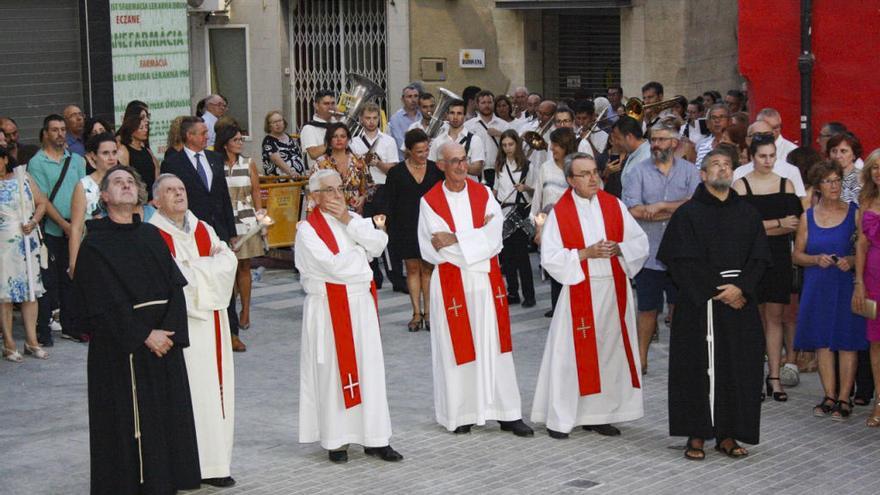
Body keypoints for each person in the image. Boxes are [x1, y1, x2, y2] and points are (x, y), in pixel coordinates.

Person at [72, 165, 200, 493]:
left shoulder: (149, 235)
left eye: (131, 181)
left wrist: (167, 332)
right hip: (121, 349)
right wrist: (144, 335)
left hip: (163, 345)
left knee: (165, 418)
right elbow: (102, 301)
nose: (127, 186)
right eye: (118, 182)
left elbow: (174, 286)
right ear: (104, 197)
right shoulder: (94, 244)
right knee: (125, 423)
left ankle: (164, 482)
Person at [657, 149, 771, 461]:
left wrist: (741, 288)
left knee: (737, 368)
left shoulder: (747, 214)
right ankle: (696, 433)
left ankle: (729, 433)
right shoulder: (688, 214)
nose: (722, 169)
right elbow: (678, 261)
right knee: (696, 369)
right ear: (703, 175)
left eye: (727, 165)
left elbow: (760, 258)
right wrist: (715, 290)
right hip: (700, 305)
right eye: (715, 165)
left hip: (740, 303)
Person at [418, 142, 533, 437]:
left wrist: (456, 237)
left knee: (495, 344)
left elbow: (496, 236)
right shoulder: (430, 201)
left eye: (464, 160)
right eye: (453, 161)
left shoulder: (483, 193)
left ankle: (506, 413)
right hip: (452, 284)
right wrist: (475, 239)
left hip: (485, 283)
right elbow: (434, 250)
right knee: (458, 349)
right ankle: (462, 412)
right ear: (441, 165)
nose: (460, 166)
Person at [531, 151, 649, 438]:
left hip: (612, 289)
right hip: (579, 292)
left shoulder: (614, 205)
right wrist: (586, 253)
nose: (593, 178)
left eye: (595, 172)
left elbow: (639, 241)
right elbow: (550, 255)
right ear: (571, 180)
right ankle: (561, 417)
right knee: (571, 355)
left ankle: (599, 414)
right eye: (585, 174)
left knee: (608, 353)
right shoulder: (561, 212)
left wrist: (620, 248)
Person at [294, 168, 403, 463]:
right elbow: (331, 267)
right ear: (315, 197)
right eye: (329, 190)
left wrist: (349, 225)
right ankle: (337, 439)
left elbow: (380, 245)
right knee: (334, 372)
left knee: (369, 370)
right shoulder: (307, 229)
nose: (337, 195)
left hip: (360, 305)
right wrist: (360, 256)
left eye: (340, 188)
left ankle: (375, 438)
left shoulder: (352, 219)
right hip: (330, 308)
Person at [149, 173, 238, 486]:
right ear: (155, 201)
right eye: (170, 190)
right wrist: (207, 266)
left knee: (217, 393)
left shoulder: (203, 227)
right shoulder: (153, 234)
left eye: (181, 189)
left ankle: (216, 465)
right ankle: (188, 466)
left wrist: (196, 269)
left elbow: (229, 261)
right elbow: (172, 279)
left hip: (213, 322)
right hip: (180, 324)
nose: (178, 194)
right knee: (190, 395)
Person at [160, 116, 245, 352]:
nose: (207, 136)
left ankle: (232, 331)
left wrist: (231, 230)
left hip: (217, 228)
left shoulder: (215, 158)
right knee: (197, 277)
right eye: (202, 132)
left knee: (223, 276)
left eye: (207, 132)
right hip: (190, 230)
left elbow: (223, 196)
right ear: (189, 136)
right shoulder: (173, 162)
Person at [622, 120, 700, 375]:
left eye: (662, 140)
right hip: (649, 254)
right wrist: (674, 210)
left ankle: (680, 359)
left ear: (674, 143)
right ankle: (640, 359)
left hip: (681, 255)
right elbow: (633, 210)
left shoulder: (690, 172)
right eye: (653, 140)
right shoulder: (637, 172)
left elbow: (695, 207)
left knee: (680, 310)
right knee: (647, 310)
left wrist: (659, 207)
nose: (655, 145)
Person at [732, 134, 803, 401]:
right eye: (762, 156)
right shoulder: (741, 185)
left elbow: (794, 224)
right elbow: (742, 229)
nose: (768, 161)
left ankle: (774, 377)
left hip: (777, 260)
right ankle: (753, 377)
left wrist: (765, 227)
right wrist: (777, 223)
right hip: (750, 260)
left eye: (772, 156)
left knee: (775, 318)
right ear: (752, 157)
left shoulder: (786, 184)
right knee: (752, 319)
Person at [793, 160, 867, 420]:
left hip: (845, 284)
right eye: (827, 181)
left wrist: (851, 260)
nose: (833, 186)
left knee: (847, 341)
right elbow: (797, 255)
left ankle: (845, 398)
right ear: (818, 186)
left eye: (837, 180)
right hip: (818, 284)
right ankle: (829, 395)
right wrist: (815, 259)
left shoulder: (854, 212)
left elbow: (865, 249)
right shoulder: (807, 217)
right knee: (823, 341)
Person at [29, 114, 88, 345]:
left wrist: (76, 225)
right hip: (52, 229)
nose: (60, 133)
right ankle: (43, 329)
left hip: (76, 225)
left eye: (63, 129)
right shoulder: (37, 162)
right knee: (49, 281)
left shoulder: (76, 160)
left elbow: (84, 190)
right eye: (54, 130)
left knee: (72, 276)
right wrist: (64, 225)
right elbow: (41, 198)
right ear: (45, 133)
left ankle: (71, 326)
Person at [384, 129, 444, 331]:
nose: (424, 154)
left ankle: (429, 313)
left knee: (428, 269)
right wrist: (387, 229)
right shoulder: (396, 172)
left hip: (430, 228)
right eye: (419, 151)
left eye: (426, 150)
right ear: (408, 151)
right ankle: (416, 313)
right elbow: (390, 203)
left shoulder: (437, 170)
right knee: (411, 269)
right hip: (405, 227)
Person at [350, 103, 406, 292]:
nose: (371, 122)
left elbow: (394, 168)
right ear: (361, 119)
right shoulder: (354, 142)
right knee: (367, 233)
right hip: (365, 192)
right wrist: (362, 164)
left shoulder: (388, 140)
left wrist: (378, 163)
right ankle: (374, 277)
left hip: (383, 190)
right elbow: (353, 169)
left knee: (386, 232)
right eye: (367, 118)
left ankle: (396, 277)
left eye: (374, 118)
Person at [1, 147, 48, 362]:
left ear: (4, 159)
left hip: (26, 241)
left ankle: (31, 341)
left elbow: (41, 203)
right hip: (3, 244)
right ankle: (9, 343)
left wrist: (33, 221)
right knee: (5, 294)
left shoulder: (23, 176)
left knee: (31, 290)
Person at [216, 125, 265, 331]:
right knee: (227, 267)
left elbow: (256, 191)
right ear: (225, 142)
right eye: (236, 139)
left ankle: (245, 310)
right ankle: (228, 310)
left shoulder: (248, 163)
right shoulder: (216, 163)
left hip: (245, 218)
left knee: (244, 266)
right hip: (223, 218)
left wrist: (260, 217)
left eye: (241, 139)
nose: (240, 143)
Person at [531, 128, 578, 316]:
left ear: (566, 146)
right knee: (555, 269)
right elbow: (538, 202)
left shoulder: (577, 166)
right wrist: (538, 229)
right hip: (551, 229)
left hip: (574, 228)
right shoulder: (545, 168)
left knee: (573, 267)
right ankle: (558, 308)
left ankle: (573, 308)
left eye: (556, 145)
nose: (551, 148)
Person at [493, 129, 536, 308]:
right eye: (504, 145)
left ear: (517, 144)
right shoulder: (500, 166)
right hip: (503, 213)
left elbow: (536, 192)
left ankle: (529, 295)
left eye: (510, 144)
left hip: (520, 212)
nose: (507, 148)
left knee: (522, 257)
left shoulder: (528, 166)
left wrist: (525, 188)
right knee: (507, 256)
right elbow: (496, 190)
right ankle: (512, 292)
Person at [853, 148, 880, 426]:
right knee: (875, 343)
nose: (879, 172)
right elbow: (860, 245)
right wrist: (859, 282)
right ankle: (879, 403)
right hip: (873, 279)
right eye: (875, 168)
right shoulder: (866, 199)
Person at [69, 133, 118, 277]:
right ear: (93, 156)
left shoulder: (126, 181)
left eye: (114, 152)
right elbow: (76, 228)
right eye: (105, 153)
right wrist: (73, 262)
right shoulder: (84, 185)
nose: (111, 158)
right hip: (94, 250)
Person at [733, 120, 807, 197]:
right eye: (757, 136)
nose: (767, 161)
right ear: (747, 140)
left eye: (768, 135)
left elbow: (800, 202)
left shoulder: (791, 171)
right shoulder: (739, 173)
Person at [315, 123, 374, 215]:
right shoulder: (320, 163)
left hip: (355, 214)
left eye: (343, 136)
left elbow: (369, 187)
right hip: (329, 213)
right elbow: (314, 192)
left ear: (348, 140)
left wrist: (362, 199)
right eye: (335, 136)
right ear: (329, 141)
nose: (339, 139)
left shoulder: (358, 161)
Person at [428, 99, 485, 180]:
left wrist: (453, 163)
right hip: (444, 186)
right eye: (452, 113)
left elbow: (477, 169)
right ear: (447, 115)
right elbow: (431, 167)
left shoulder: (475, 140)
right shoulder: (438, 141)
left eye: (459, 113)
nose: (455, 117)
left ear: (465, 116)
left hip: (467, 188)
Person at [465, 90, 511, 185]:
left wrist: (500, 134)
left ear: (494, 104)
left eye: (489, 102)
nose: (487, 105)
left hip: (499, 171)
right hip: (476, 172)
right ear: (477, 105)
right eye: (483, 102)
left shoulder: (504, 125)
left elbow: (514, 144)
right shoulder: (468, 126)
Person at [117, 113, 160, 200]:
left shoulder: (147, 150)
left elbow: (157, 171)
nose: (145, 130)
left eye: (146, 127)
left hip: (152, 197)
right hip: (136, 198)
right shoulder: (124, 150)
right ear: (132, 130)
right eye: (141, 128)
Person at [609, 116, 650, 198]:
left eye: (618, 138)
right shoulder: (632, 153)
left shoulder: (647, 158)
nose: (615, 142)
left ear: (629, 137)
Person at [261, 110, 305, 177]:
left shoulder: (289, 137)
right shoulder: (268, 141)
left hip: (299, 179)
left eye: (280, 121)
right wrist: (291, 172)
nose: (278, 124)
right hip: (281, 181)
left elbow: (298, 155)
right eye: (274, 122)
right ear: (269, 126)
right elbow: (276, 160)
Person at [300, 89, 337, 169]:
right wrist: (333, 140)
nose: (330, 107)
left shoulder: (338, 124)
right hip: (320, 174)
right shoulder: (309, 128)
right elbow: (313, 154)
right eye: (326, 104)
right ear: (316, 106)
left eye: (333, 103)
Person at [827, 132, 863, 204]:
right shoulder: (823, 177)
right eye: (834, 151)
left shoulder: (863, 178)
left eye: (843, 151)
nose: (838, 156)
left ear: (854, 155)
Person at [388, 84, 422, 159]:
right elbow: (401, 143)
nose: (413, 100)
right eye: (409, 96)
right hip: (404, 161)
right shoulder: (396, 118)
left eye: (416, 96)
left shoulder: (423, 116)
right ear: (402, 99)